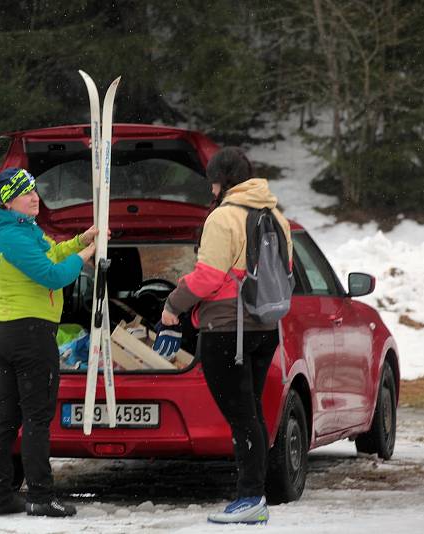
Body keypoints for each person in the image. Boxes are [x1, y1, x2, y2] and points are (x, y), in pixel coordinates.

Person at [157, 147, 293, 525]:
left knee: (241, 416)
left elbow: (208, 276)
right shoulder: (277, 217)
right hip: (266, 327)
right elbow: (287, 269)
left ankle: (250, 498)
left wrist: (172, 306)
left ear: (220, 180)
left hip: (226, 329)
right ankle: (255, 494)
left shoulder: (223, 217)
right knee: (251, 412)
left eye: (212, 180)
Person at [0, 167, 98, 517]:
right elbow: (53, 276)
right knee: (36, 417)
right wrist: (86, 256)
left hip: (16, 331)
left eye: (34, 190)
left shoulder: (23, 229)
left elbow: (53, 254)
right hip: (28, 333)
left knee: (9, 415)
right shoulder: (13, 237)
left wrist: (82, 240)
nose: (35, 197)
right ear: (8, 201)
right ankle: (41, 496)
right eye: (25, 193)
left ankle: (0, 497)